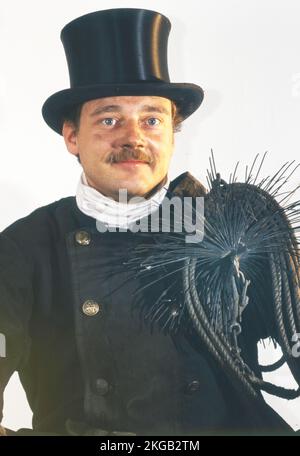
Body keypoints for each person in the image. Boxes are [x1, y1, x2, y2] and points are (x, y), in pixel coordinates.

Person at [0, 8, 296, 436]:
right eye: (108, 118)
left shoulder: (235, 227)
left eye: (152, 119)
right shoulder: (25, 247)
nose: (132, 137)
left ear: (172, 134)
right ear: (71, 137)